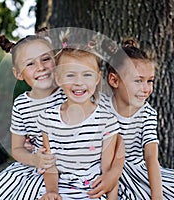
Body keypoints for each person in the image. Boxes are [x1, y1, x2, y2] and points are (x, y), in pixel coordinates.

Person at [100, 38, 174, 199]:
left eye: (150, 81)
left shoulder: (147, 114)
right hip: (105, 168)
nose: (146, 88)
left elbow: (150, 156)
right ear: (114, 80)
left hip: (138, 173)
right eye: (138, 81)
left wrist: (157, 196)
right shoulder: (100, 106)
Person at [0, 31, 67, 200]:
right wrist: (34, 160)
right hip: (35, 163)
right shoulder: (21, 105)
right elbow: (17, 149)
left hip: (65, 164)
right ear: (18, 74)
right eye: (30, 64)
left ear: (56, 60)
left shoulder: (70, 93)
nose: (41, 67)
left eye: (46, 59)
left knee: (36, 191)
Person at [36, 42, 125, 200]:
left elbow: (108, 172)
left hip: (93, 190)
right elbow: (50, 166)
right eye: (70, 75)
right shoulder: (48, 119)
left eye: (87, 74)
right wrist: (52, 192)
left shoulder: (106, 121)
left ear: (97, 78)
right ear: (58, 78)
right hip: (60, 187)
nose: (79, 82)